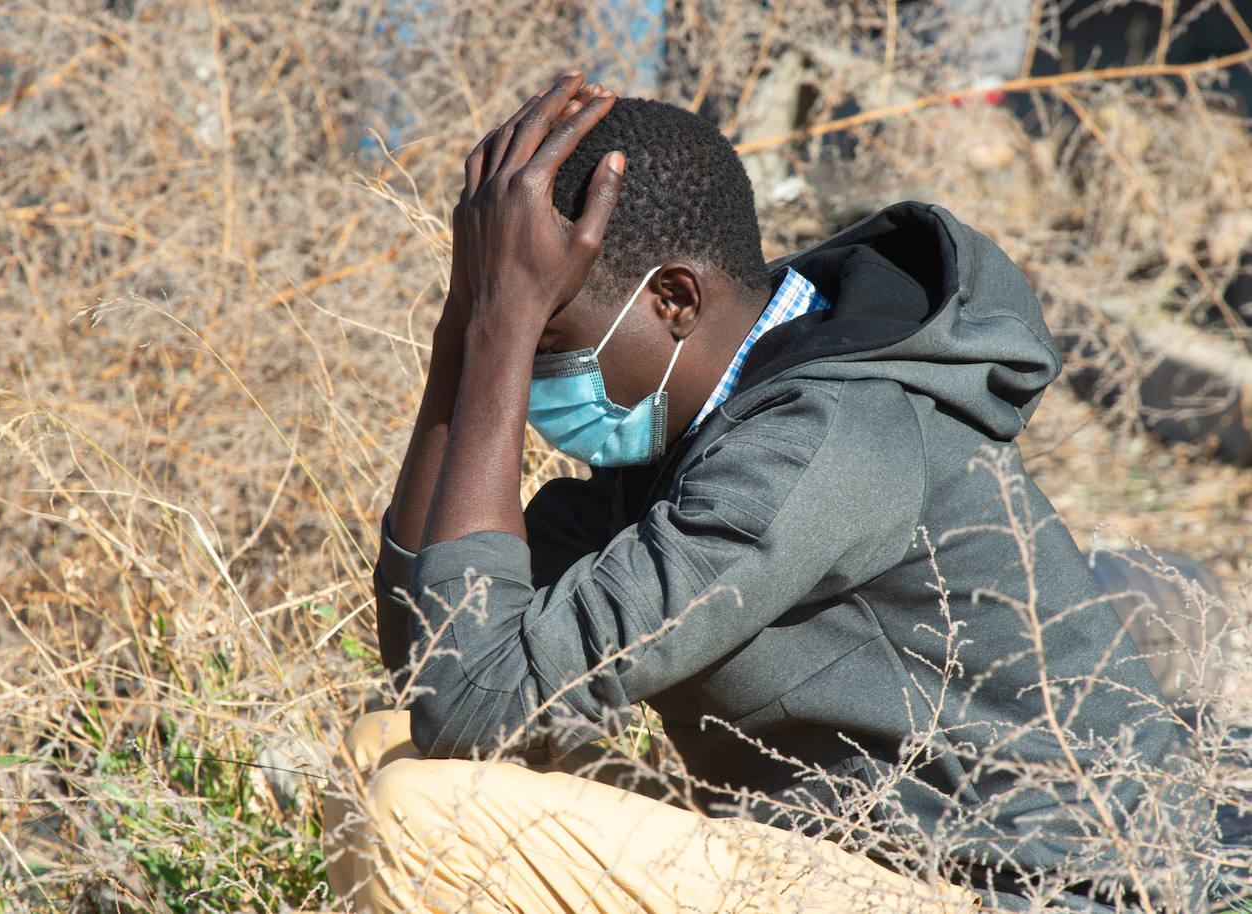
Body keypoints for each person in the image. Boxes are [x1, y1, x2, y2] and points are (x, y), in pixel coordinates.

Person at [324, 72, 1199, 913]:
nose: (526, 371)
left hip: (1022, 893)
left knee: (417, 821)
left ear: (673, 300)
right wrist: (467, 327)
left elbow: (470, 701)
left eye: (546, 337)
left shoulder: (815, 442)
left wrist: (500, 326)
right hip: (849, 859)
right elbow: (437, 668)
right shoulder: (699, 428)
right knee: (385, 752)